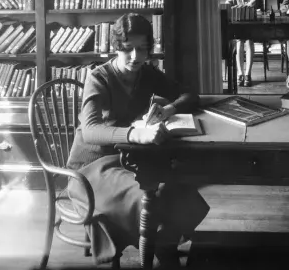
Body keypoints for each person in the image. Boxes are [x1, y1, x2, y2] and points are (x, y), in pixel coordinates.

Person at [66, 13, 210, 267]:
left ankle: (163, 246)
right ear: (116, 48)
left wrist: (168, 110)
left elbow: (189, 95)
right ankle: (158, 249)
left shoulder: (147, 73)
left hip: (129, 160)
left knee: (180, 192)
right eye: (128, 50)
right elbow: (90, 130)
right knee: (148, 197)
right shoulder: (98, 77)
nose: (135, 57)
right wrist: (136, 134)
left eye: (142, 50)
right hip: (91, 168)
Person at [225, 0, 264, 87]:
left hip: (252, 24)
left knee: (249, 42)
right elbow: (227, 6)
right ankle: (240, 74)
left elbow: (262, 9)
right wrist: (232, 7)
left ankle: (248, 74)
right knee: (239, 43)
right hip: (237, 25)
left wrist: (258, 11)